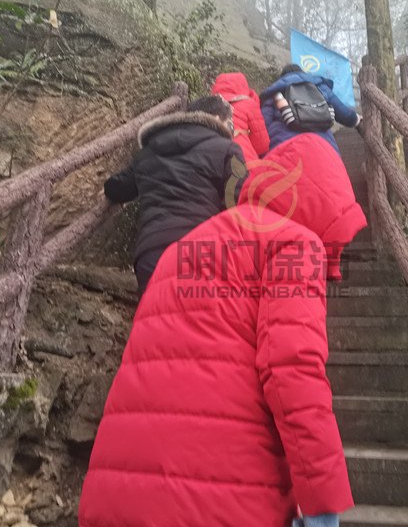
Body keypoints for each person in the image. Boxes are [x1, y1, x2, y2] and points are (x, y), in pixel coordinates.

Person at [79, 131, 367, 527]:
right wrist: (322, 503)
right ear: (326, 205)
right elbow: (293, 372)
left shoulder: (186, 246)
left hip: (116, 496)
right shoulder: (294, 245)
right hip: (220, 500)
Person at [103, 95, 245, 294]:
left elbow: (117, 188)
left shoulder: (149, 150)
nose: (231, 130)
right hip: (202, 249)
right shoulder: (228, 150)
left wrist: (108, 188)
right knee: (198, 312)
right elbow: (235, 204)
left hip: (152, 251)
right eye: (230, 123)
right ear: (216, 118)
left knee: (153, 311)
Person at [260, 64, 361, 155]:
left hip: (285, 148)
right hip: (325, 149)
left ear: (282, 78)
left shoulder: (274, 93)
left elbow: (263, 126)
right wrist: (356, 119)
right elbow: (344, 114)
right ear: (303, 73)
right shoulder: (320, 87)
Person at [211, 72, 270, 163]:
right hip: (242, 156)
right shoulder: (249, 104)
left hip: (211, 157)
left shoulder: (208, 104)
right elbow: (262, 145)